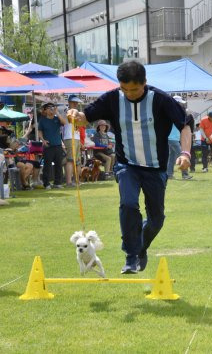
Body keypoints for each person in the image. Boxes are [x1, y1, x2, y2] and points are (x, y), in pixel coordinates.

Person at [67, 60, 191, 274]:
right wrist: (75, 116)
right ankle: (131, 255)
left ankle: (140, 247)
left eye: (134, 89)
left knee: (156, 220)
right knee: (128, 203)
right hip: (127, 165)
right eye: (125, 89)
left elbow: (185, 125)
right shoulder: (113, 98)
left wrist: (185, 153)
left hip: (156, 168)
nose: (130, 93)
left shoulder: (161, 99)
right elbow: (84, 118)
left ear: (145, 82)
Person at [38, 102, 66, 189]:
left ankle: (57, 183)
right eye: (49, 107)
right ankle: (46, 183)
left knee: (58, 165)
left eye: (52, 107)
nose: (51, 109)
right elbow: (40, 131)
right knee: (47, 165)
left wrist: (57, 112)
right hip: (48, 146)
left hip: (58, 145)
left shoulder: (57, 119)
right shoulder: (42, 120)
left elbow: (64, 122)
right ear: (45, 110)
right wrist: (42, 140)